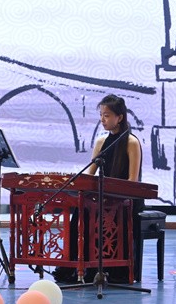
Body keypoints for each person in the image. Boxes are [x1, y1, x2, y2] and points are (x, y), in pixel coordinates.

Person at [52, 94, 143, 284]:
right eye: (101, 115)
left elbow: (132, 181)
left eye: (107, 115)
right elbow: (90, 175)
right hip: (103, 197)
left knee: (105, 213)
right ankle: (78, 266)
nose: (102, 119)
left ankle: (112, 268)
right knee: (81, 211)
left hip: (124, 200)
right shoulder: (101, 141)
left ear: (120, 117)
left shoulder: (131, 142)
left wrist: (112, 196)